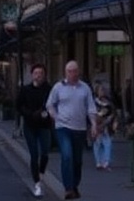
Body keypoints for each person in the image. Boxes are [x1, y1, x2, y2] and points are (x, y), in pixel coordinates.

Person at [46, 60, 98, 200]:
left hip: (79, 128)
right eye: (69, 71)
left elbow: (91, 108)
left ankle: (74, 185)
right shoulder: (58, 87)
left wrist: (93, 124)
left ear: (78, 72)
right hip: (63, 127)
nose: (72, 74)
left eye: (74, 71)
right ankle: (68, 188)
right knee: (67, 155)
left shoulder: (85, 88)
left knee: (77, 160)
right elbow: (50, 104)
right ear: (65, 73)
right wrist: (56, 117)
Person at [17, 63, 53, 198]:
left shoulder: (49, 90)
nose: (38, 76)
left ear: (44, 75)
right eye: (36, 73)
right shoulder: (25, 90)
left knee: (45, 152)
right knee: (34, 154)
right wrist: (29, 114)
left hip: (44, 125)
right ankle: (37, 184)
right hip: (30, 125)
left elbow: (54, 105)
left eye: (41, 73)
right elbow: (19, 106)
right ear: (32, 75)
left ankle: (41, 173)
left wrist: (47, 113)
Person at [92, 84, 117, 170]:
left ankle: (106, 161)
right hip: (97, 125)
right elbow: (92, 113)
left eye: (103, 90)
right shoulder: (94, 102)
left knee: (107, 143)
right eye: (100, 90)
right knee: (98, 144)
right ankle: (98, 162)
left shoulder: (109, 102)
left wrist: (112, 121)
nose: (102, 92)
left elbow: (113, 113)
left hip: (107, 125)